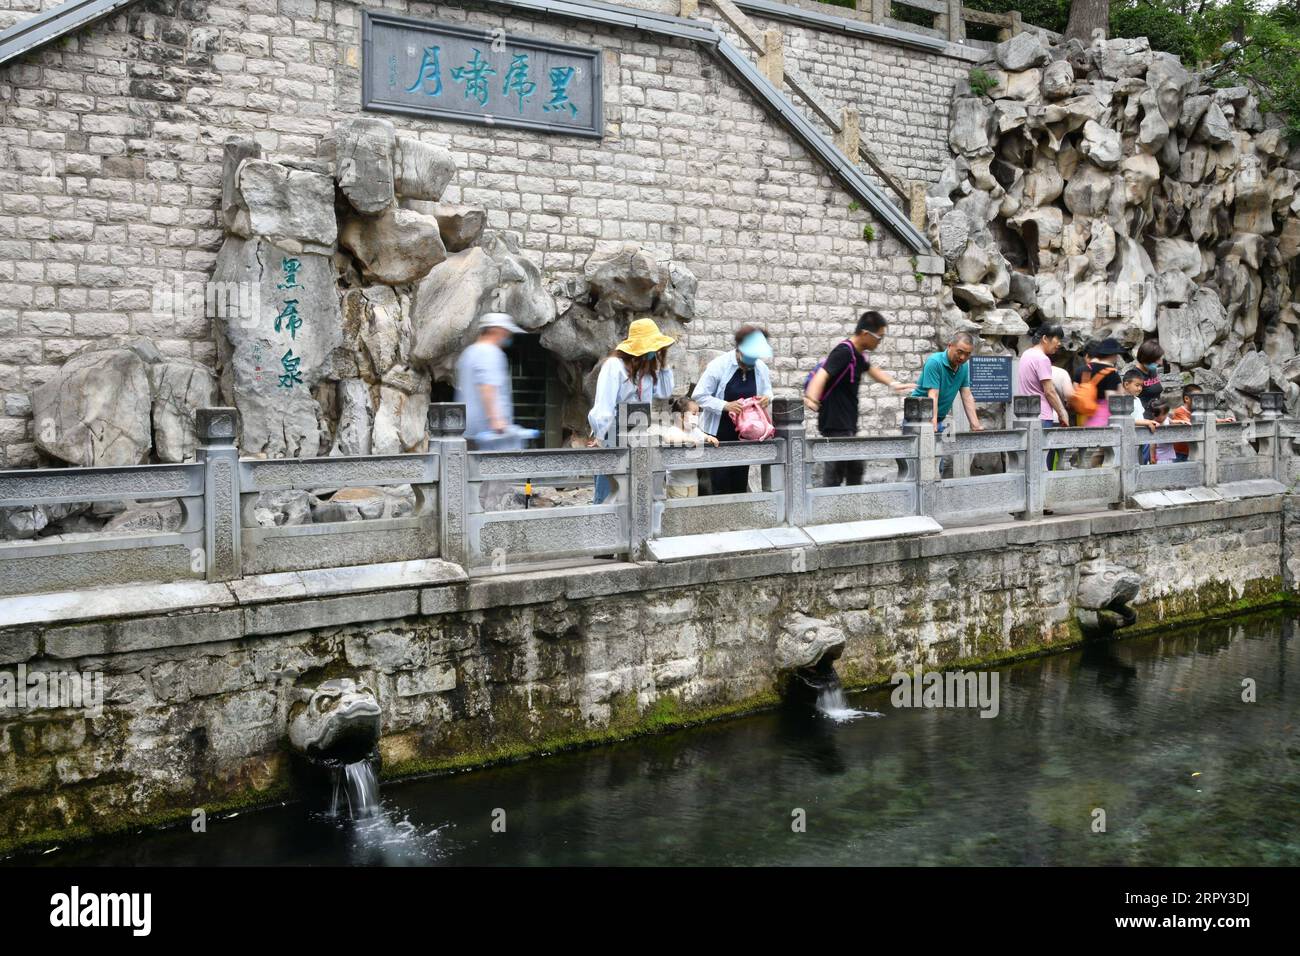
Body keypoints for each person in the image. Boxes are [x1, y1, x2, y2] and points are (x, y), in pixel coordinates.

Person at [804, 310, 911, 487]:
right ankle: (828, 509)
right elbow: (822, 374)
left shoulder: (857, 354)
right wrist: (811, 398)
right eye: (879, 337)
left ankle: (851, 506)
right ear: (865, 334)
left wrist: (893, 384)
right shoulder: (844, 352)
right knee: (836, 472)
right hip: (835, 422)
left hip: (847, 423)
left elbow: (872, 370)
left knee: (855, 468)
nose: (880, 341)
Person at [588, 318, 676, 504]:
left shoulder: (647, 370)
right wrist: (601, 437)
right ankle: (605, 529)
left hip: (639, 434)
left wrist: (663, 361)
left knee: (636, 493)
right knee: (609, 492)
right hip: (614, 432)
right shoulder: (614, 366)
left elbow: (665, 391)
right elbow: (604, 406)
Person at [692, 325, 774, 495]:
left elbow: (767, 390)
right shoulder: (718, 366)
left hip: (745, 435)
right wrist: (725, 405)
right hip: (718, 436)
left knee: (740, 480)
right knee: (718, 482)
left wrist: (767, 398)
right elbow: (699, 395)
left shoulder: (760, 368)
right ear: (739, 350)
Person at [455, 312, 523, 446]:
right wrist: (496, 420)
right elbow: (487, 387)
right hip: (489, 434)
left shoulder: (468, 353)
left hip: (467, 430)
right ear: (497, 331)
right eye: (507, 333)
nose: (508, 337)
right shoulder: (490, 353)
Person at [1016, 324, 1071, 469]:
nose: (1059, 344)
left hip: (1026, 416)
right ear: (1045, 338)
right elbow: (1049, 391)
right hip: (1042, 416)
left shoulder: (1026, 355)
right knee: (1041, 462)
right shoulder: (1042, 359)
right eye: (1057, 339)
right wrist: (1062, 412)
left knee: (1030, 462)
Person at [911, 331, 984, 434]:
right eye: (960, 352)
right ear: (950, 346)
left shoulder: (964, 366)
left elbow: (967, 396)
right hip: (917, 419)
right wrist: (933, 426)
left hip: (939, 419)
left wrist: (975, 425)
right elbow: (933, 395)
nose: (962, 357)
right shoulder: (934, 362)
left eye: (967, 354)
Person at [650, 396, 719, 498]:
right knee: (677, 511)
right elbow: (668, 438)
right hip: (676, 482)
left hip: (693, 481)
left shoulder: (695, 430)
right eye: (693, 414)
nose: (696, 417)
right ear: (680, 416)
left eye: (698, 414)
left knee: (691, 510)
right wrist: (687, 440)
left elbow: (703, 436)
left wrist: (709, 438)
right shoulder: (674, 430)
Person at [1073, 338, 1124, 467]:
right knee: (1102, 461)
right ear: (1113, 355)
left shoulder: (1081, 370)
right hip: (1104, 421)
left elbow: (1074, 393)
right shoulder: (1111, 373)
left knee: (1085, 459)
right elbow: (1112, 399)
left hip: (1084, 419)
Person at [1169, 383, 1235, 462]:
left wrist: (1221, 420)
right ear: (1186, 399)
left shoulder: (1198, 410)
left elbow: (1208, 418)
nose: (1200, 401)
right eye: (1197, 398)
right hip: (1180, 452)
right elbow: (1191, 424)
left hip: (1193, 449)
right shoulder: (1179, 412)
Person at [1121, 367, 1159, 460]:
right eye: (1137, 385)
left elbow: (1140, 418)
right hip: (1128, 438)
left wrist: (1150, 421)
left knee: (1142, 461)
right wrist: (1146, 423)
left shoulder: (1137, 399)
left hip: (1141, 436)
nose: (1140, 388)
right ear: (1126, 384)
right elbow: (1125, 420)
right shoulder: (1122, 400)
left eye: (1141, 386)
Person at [1135, 339, 1165, 414]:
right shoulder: (1134, 375)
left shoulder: (1152, 371)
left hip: (1156, 415)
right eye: (1156, 360)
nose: (1160, 363)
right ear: (1147, 358)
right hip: (1143, 418)